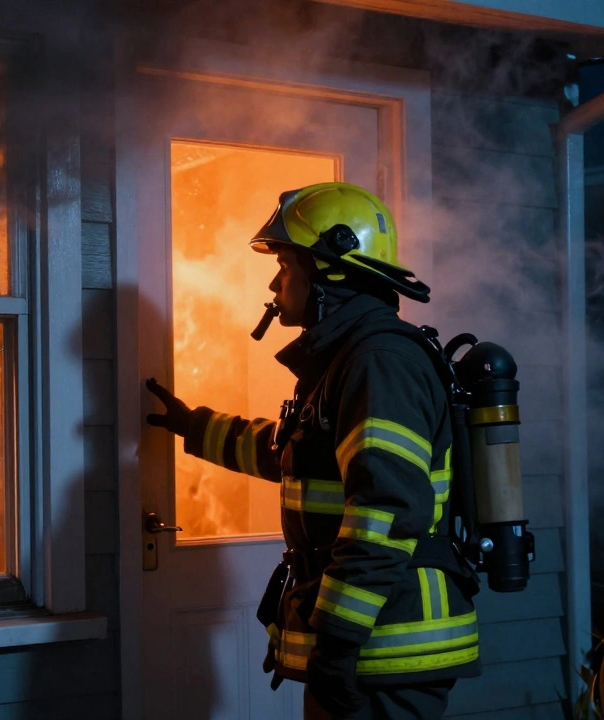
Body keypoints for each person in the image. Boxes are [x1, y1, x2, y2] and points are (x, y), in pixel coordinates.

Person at [145, 183, 480, 719]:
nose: (276, 282)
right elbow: (299, 456)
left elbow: (386, 513)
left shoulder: (379, 364)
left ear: (330, 271)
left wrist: (338, 645)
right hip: (372, 647)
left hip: (385, 649)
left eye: (285, 264)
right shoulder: (349, 358)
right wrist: (194, 427)